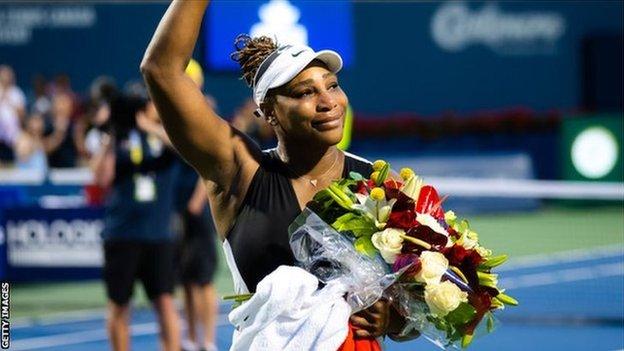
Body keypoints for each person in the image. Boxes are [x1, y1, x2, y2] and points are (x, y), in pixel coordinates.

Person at [141, 0, 416, 343]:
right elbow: (161, 70)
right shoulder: (240, 173)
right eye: (305, 92)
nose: (328, 100)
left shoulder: (376, 184)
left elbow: (414, 315)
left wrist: (391, 320)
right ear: (268, 112)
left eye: (332, 85)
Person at [91, 95, 180, 351]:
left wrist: (149, 126)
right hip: (121, 234)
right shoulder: (119, 139)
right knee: (119, 305)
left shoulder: (166, 136)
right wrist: (110, 136)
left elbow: (182, 149)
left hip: (158, 234)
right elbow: (100, 179)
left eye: (148, 105)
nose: (145, 110)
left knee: (165, 303)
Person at [174, 59, 219, 351]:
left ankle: (209, 341)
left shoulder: (204, 114)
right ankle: (191, 339)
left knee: (202, 279)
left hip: (197, 211)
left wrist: (197, 200)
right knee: (186, 279)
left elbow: (213, 165)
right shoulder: (172, 116)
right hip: (176, 209)